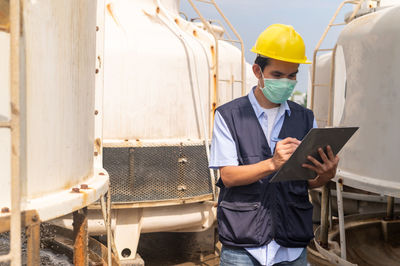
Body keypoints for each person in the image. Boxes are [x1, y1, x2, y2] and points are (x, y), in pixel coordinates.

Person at [209, 24, 339, 266]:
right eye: (278, 75)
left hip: (291, 244)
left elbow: (308, 181)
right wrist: (272, 163)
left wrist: (325, 174)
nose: (286, 82)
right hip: (244, 246)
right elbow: (228, 176)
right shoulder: (229, 116)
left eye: (292, 76)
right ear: (258, 71)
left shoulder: (304, 117)